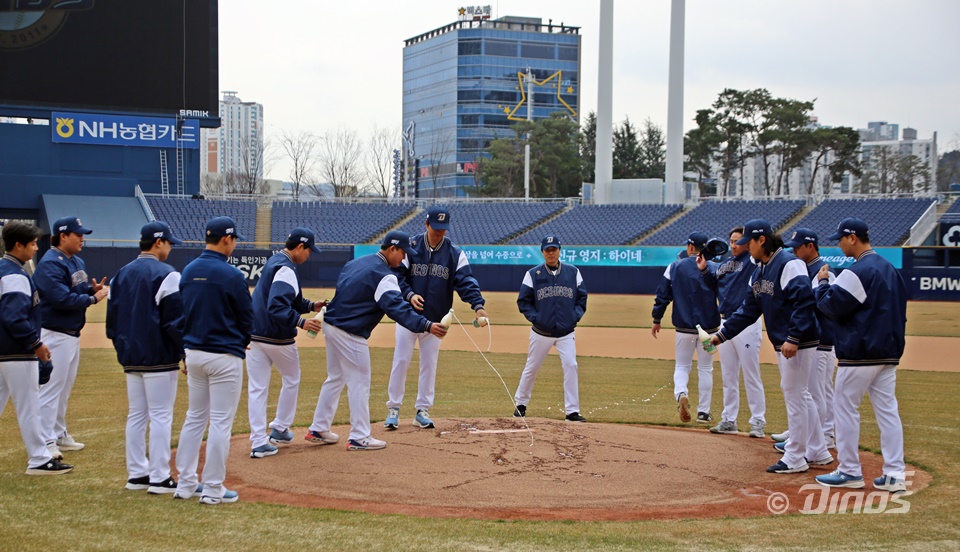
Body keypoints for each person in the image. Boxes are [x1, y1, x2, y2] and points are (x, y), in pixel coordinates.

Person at [710, 219, 831, 474]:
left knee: (795, 395)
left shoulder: (789, 263)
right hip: (788, 341)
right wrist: (722, 335)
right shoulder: (760, 270)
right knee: (802, 395)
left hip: (797, 342)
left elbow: (804, 301)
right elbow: (748, 310)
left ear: (761, 240)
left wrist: (794, 337)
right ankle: (818, 449)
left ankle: (795, 456)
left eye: (748, 243)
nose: (745, 248)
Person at [307, 231, 445, 451]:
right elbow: (397, 309)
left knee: (336, 377)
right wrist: (426, 325)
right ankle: (360, 436)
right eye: (402, 253)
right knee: (360, 381)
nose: (403, 259)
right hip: (349, 332)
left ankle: (319, 427)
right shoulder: (385, 275)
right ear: (392, 249)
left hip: (331, 325)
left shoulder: (356, 263)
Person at [814, 218, 908, 492]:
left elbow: (830, 306)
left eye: (841, 239)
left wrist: (822, 283)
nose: (839, 244)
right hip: (889, 352)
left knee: (844, 408)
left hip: (861, 352)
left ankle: (849, 471)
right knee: (888, 411)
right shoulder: (890, 269)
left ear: (852, 238)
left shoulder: (859, 270)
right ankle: (894, 474)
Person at [385, 206, 488, 430]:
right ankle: (393, 408)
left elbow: (467, 282)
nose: (440, 233)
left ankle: (422, 410)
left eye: (443, 229)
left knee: (429, 364)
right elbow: (397, 277)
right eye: (436, 228)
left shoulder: (455, 253)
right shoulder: (410, 247)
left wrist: (478, 306)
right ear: (426, 224)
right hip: (407, 316)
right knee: (401, 361)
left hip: (436, 320)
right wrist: (409, 295)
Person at [174, 217, 253, 505]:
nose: (234, 244)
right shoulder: (231, 275)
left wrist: (184, 350)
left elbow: (181, 316)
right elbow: (247, 317)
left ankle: (185, 484)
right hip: (224, 355)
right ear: (226, 239)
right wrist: (242, 340)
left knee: (194, 418)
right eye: (234, 240)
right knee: (220, 422)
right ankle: (213, 488)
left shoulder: (188, 270)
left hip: (193, 353)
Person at [105, 222, 185, 493]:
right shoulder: (167, 274)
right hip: (159, 355)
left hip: (131, 356)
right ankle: (160, 477)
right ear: (158, 242)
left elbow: (111, 323)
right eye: (169, 242)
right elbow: (175, 322)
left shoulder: (120, 274)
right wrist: (184, 351)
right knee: (161, 415)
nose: (171, 247)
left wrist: (122, 349)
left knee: (137, 415)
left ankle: (137, 474)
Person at [0, 221, 73, 475]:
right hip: (17, 351)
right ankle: (40, 459)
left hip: (4, 351)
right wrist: (36, 343)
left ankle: (40, 458)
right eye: (31, 244)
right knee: (29, 406)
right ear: (18, 245)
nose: (34, 249)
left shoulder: (4, 269)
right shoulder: (14, 274)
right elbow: (14, 317)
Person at [34, 216, 108, 460]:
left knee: (63, 389)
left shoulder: (75, 260)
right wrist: (92, 300)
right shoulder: (49, 263)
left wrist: (90, 290)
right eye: (78, 234)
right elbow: (61, 300)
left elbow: (73, 291)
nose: (82, 238)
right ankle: (45, 441)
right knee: (51, 389)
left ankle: (58, 433)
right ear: (63, 236)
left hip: (71, 334)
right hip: (54, 333)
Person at [246, 228, 325, 458]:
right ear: (300, 247)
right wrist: (302, 322)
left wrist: (311, 306)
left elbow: (291, 299)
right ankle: (280, 427)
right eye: (309, 249)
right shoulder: (287, 269)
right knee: (291, 378)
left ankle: (258, 442)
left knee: (257, 389)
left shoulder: (275, 261)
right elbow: (278, 305)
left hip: (255, 334)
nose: (309, 255)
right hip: (277, 337)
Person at [513, 235, 588, 422]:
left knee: (571, 365)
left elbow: (582, 299)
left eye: (554, 249)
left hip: (565, 332)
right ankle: (520, 404)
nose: (551, 253)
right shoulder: (533, 274)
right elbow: (523, 302)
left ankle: (572, 411)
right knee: (532, 367)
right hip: (541, 332)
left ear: (559, 251)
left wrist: (574, 317)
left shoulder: (573, 272)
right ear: (542, 252)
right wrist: (537, 319)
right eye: (547, 250)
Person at [652, 232, 719, 424]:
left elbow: (662, 295)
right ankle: (703, 413)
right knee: (706, 368)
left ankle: (681, 393)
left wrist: (657, 318)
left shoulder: (674, 267)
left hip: (684, 328)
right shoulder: (713, 267)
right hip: (709, 329)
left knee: (682, 366)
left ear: (690, 247)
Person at [710, 226, 766, 438]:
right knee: (728, 375)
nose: (733, 245)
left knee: (751, 374)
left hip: (746, 323)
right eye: (731, 241)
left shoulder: (752, 261)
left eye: (738, 241)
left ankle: (758, 420)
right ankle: (729, 419)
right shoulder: (724, 264)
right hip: (725, 323)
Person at [784, 228, 837, 449]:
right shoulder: (805, 268)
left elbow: (827, 305)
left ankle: (825, 436)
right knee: (809, 390)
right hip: (813, 338)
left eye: (798, 246)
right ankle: (805, 432)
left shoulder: (824, 270)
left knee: (819, 392)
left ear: (811, 246)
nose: (794, 250)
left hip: (822, 340)